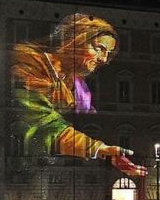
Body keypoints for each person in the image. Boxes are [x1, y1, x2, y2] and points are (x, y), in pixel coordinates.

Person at [10, 12, 147, 179]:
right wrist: (100, 149)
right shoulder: (30, 65)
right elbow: (45, 126)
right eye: (99, 49)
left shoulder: (69, 82)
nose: (103, 59)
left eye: (108, 53)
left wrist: (102, 151)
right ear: (76, 40)